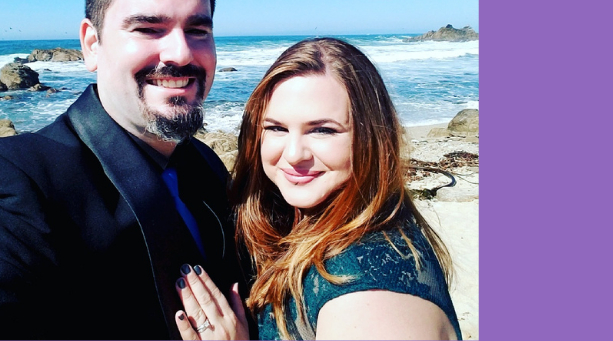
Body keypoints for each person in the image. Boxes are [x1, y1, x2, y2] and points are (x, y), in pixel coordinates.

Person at [0, 0, 251, 340]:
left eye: (198, 30)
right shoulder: (12, 181)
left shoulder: (205, 164)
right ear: (92, 44)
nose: (181, 53)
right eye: (148, 28)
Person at [174, 38, 462, 340]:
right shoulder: (298, 220)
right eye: (276, 128)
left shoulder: (370, 302)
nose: (294, 154)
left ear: (371, 137)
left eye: (323, 130)